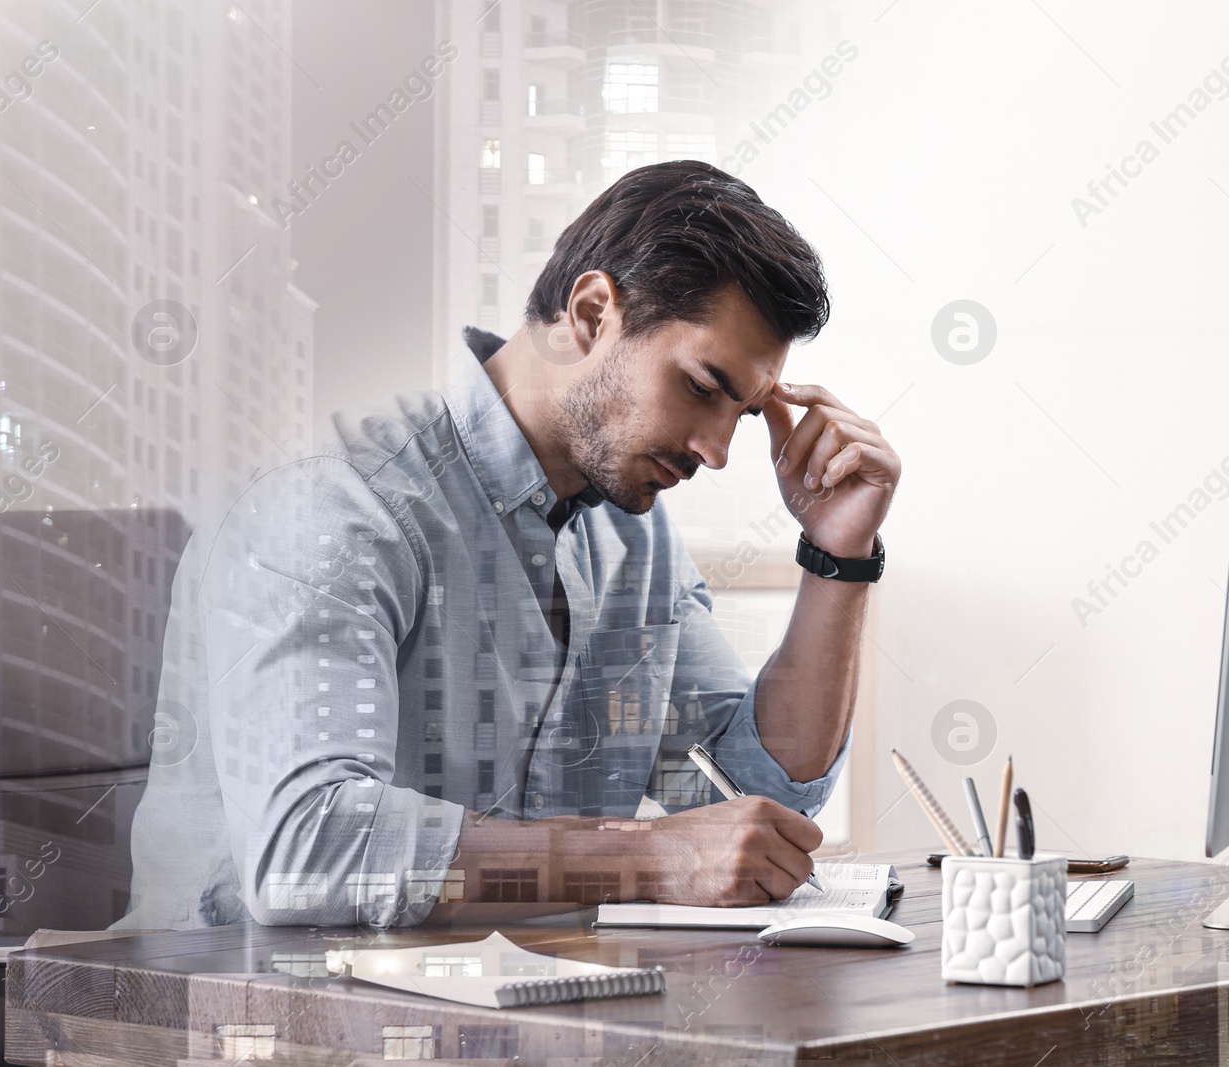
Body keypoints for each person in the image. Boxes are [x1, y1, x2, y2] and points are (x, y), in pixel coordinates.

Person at [114, 160, 901, 929]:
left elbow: (757, 800)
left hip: (502, 1012)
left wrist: (838, 556)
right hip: (235, 1017)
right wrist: (648, 857)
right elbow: (307, 850)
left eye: (745, 410)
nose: (720, 450)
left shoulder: (635, 536)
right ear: (592, 314)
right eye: (702, 387)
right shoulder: (337, 497)